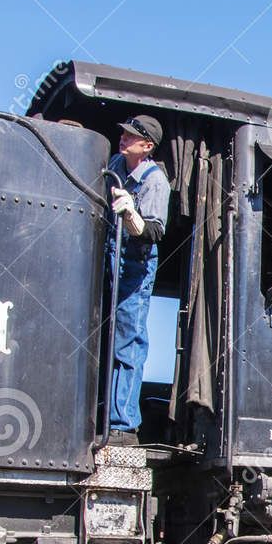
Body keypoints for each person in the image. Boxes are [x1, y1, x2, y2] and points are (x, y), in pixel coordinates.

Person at [104, 114, 169, 446]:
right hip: (109, 255)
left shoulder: (155, 181)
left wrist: (131, 214)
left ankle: (124, 422)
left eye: (131, 136)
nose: (123, 138)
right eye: (124, 133)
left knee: (129, 339)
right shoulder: (116, 162)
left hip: (135, 264)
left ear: (147, 146)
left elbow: (155, 231)